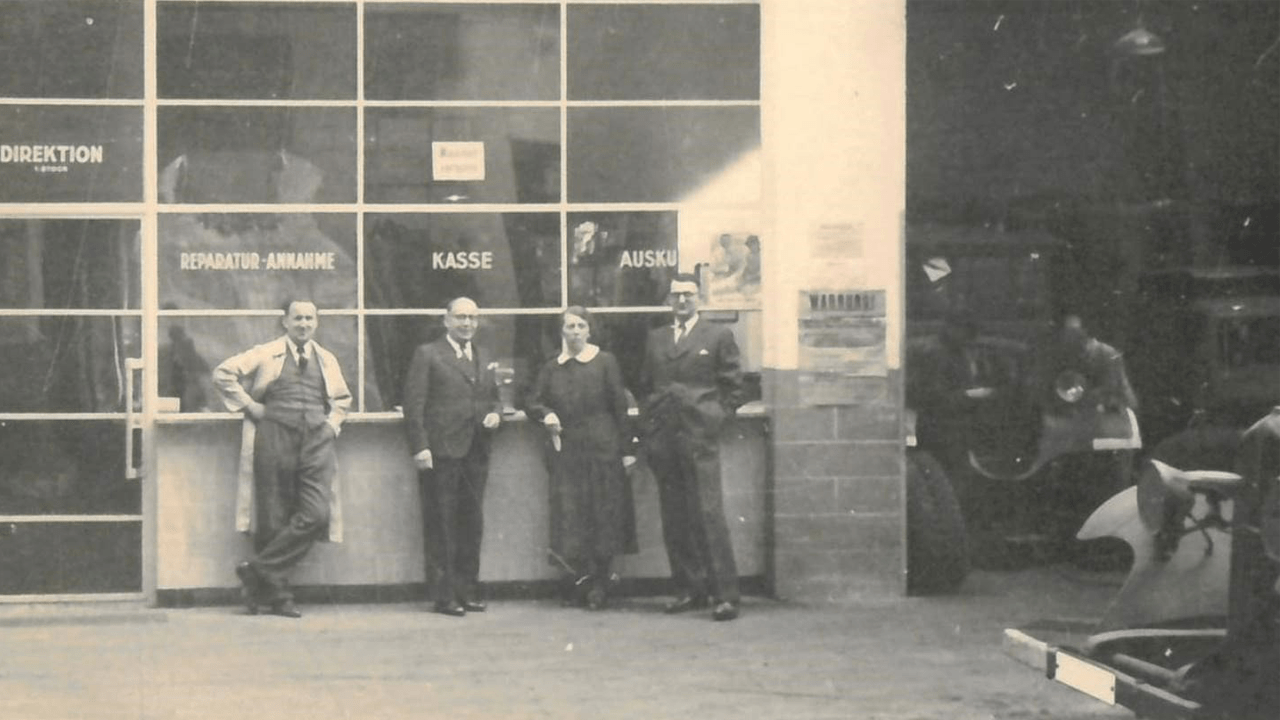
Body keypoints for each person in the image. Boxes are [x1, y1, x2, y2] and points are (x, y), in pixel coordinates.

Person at [213, 299, 352, 618]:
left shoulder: (326, 359)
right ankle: (279, 596)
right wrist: (250, 406)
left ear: (316, 322)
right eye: (298, 318)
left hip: (316, 441)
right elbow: (223, 374)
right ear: (284, 322)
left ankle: (256, 571)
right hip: (274, 436)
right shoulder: (266, 352)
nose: (304, 324)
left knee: (317, 514)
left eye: (309, 318)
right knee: (273, 517)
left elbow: (342, 400)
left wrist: (332, 426)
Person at [639, 273, 746, 621]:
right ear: (668, 300)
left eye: (688, 294)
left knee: (708, 514)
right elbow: (645, 384)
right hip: (665, 438)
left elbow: (734, 388)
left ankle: (724, 594)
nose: (682, 301)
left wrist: (713, 418)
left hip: (699, 436)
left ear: (699, 298)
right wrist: (652, 424)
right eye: (676, 295)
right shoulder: (655, 338)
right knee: (675, 516)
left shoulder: (717, 335)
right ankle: (688, 588)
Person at [526, 307, 639, 610]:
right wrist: (546, 413)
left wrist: (627, 451)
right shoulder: (552, 367)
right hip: (569, 453)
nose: (575, 331)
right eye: (569, 327)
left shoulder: (605, 362)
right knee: (572, 518)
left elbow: (620, 408)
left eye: (580, 326)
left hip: (604, 450)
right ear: (561, 332)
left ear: (589, 330)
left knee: (603, 517)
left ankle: (601, 584)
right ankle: (581, 582)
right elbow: (532, 401)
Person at [403, 297, 502, 617]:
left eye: (472, 318)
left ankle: (467, 590)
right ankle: (444, 595)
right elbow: (413, 404)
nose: (467, 323)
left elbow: (494, 398)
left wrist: (496, 414)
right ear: (445, 320)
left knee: (472, 523)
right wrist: (420, 447)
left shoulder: (484, 356)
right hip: (441, 452)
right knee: (441, 524)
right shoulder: (428, 354)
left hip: (476, 451)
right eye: (460, 317)